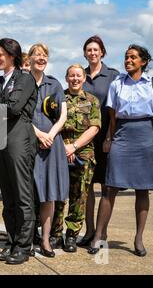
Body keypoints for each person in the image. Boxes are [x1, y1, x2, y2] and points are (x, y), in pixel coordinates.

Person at [88, 45, 153, 257]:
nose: (128, 60)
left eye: (133, 57)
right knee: (110, 188)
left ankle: (138, 238)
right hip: (122, 136)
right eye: (126, 57)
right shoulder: (117, 84)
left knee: (143, 189)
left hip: (145, 136)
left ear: (143, 61)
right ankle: (99, 235)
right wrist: (109, 138)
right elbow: (113, 117)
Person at [0, 38, 38, 265]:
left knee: (22, 196)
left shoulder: (25, 79)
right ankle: (10, 242)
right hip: (1, 143)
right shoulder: (0, 82)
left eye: (0, 54)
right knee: (8, 198)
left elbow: (14, 107)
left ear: (12, 55)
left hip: (19, 140)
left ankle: (23, 246)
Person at [51, 64, 101, 252]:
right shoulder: (58, 99)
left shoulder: (92, 101)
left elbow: (94, 127)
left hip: (83, 152)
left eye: (78, 75)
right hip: (59, 150)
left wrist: (74, 146)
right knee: (58, 195)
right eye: (71, 75)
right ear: (66, 78)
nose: (75, 79)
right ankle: (55, 234)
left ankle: (71, 235)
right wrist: (63, 147)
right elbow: (52, 124)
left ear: (84, 78)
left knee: (79, 195)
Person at [79, 35, 119, 247]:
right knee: (86, 188)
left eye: (96, 50)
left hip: (105, 139)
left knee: (106, 187)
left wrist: (111, 137)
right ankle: (89, 230)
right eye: (89, 50)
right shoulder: (80, 75)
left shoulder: (113, 76)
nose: (92, 53)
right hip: (85, 139)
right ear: (85, 53)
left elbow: (116, 110)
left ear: (102, 52)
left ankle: (101, 233)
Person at [28, 43, 69, 257]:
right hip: (30, 143)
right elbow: (22, 115)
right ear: (29, 58)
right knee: (29, 194)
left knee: (49, 195)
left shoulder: (54, 84)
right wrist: (38, 134)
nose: (41, 58)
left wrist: (50, 135)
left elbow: (63, 115)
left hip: (52, 145)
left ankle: (45, 241)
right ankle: (26, 239)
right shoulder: (24, 82)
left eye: (44, 55)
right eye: (37, 54)